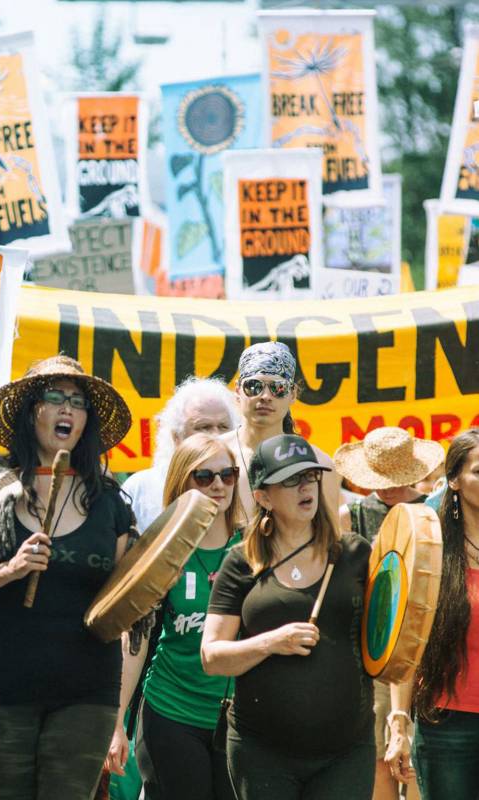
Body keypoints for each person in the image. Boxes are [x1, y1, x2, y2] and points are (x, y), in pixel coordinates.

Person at [0, 355, 137, 800]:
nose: (67, 409)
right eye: (54, 397)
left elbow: (127, 596)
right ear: (29, 411)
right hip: (4, 686)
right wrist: (10, 569)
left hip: (88, 688)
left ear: (86, 420)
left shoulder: (110, 499)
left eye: (77, 402)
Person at [202, 433, 373, 800]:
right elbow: (212, 657)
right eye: (290, 480)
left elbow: (389, 637)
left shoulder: (355, 553)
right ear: (263, 497)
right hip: (261, 751)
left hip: (347, 750)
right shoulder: (240, 561)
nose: (305, 487)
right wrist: (271, 642)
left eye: (310, 476)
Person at [107, 434, 244, 800]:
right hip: (170, 710)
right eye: (204, 476)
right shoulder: (162, 551)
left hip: (240, 720)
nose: (218, 484)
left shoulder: (255, 548)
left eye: (227, 474)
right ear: (183, 482)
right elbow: (135, 643)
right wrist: (117, 722)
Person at [335, 428, 440, 800]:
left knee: (417, 759)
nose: (387, 488)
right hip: (376, 650)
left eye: (395, 480)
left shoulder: (435, 508)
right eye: (379, 481)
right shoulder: (354, 514)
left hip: (430, 645)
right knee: (378, 757)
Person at [383, 429, 479, 800]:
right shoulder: (429, 548)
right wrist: (398, 723)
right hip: (447, 723)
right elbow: (406, 642)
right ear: (453, 480)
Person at [220, 342, 340, 519]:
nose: (266, 396)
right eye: (254, 386)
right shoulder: (212, 454)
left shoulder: (318, 463)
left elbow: (330, 538)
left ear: (293, 394)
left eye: (278, 388)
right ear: (238, 391)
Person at [122, 377, 237, 530]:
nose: (216, 436)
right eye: (204, 427)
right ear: (177, 437)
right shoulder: (139, 489)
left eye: (223, 426)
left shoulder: (243, 483)